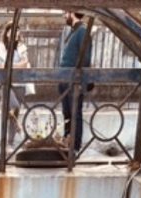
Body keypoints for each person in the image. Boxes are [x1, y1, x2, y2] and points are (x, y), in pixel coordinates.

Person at [58, 11, 94, 154]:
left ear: (72, 13)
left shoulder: (82, 31)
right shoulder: (75, 32)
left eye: (65, 13)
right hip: (65, 79)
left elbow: (85, 58)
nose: (63, 16)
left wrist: (81, 78)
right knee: (67, 112)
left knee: (75, 113)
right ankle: (67, 142)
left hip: (74, 80)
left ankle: (75, 147)